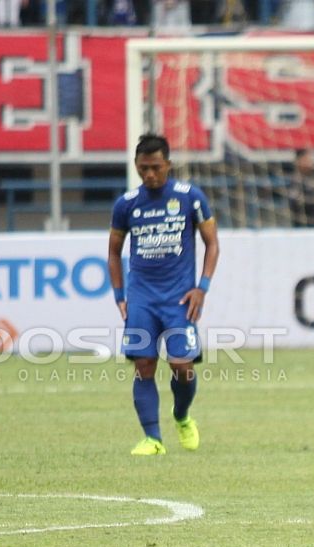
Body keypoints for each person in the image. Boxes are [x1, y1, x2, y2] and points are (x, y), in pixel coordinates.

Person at [107, 133, 220, 456]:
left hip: (179, 298)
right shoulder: (126, 204)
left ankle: (182, 416)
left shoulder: (190, 197)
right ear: (136, 167)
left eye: (156, 167)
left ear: (168, 165)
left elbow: (212, 243)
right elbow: (114, 252)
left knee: (182, 366)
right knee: (144, 364)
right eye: (143, 168)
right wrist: (120, 295)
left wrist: (202, 288)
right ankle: (152, 438)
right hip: (141, 296)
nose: (150, 175)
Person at [287, 148, 314, 228]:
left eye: (310, 159)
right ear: (298, 161)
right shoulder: (295, 180)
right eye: (306, 159)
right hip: (301, 226)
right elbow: (295, 200)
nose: (310, 162)